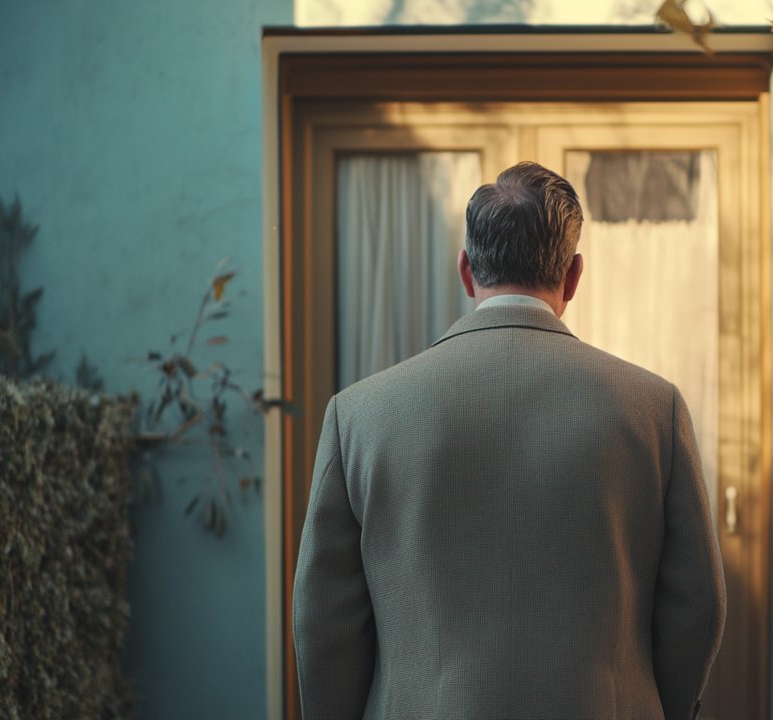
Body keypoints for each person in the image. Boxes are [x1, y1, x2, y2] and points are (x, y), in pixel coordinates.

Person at [293, 161, 726, 720]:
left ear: (466, 271)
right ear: (573, 276)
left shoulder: (357, 414)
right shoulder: (653, 409)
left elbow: (324, 619)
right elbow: (698, 605)